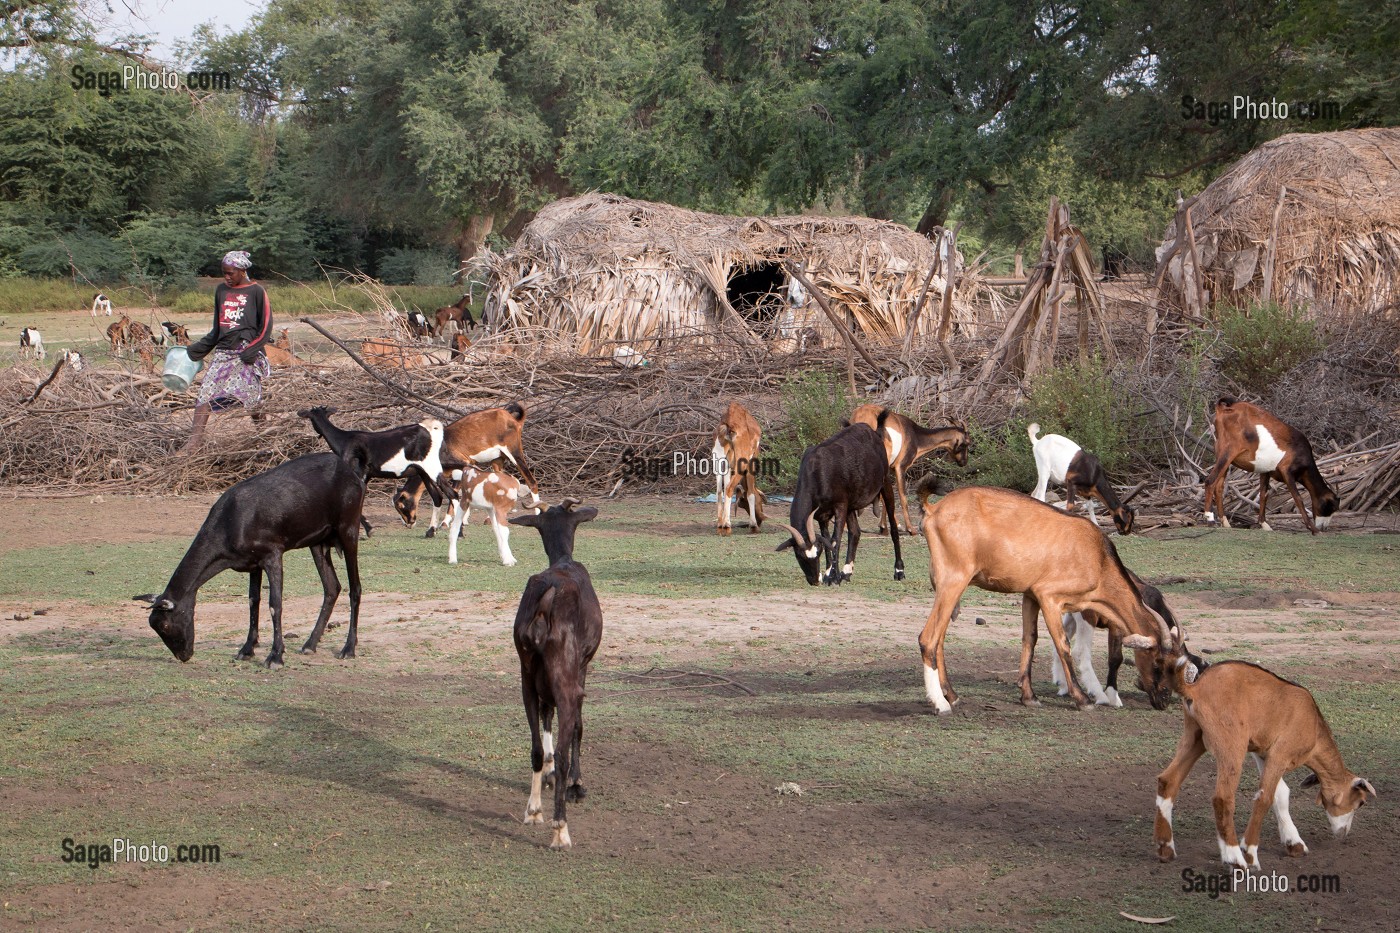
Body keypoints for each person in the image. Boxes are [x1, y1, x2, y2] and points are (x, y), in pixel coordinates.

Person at [181, 250, 272, 452]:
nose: (227, 277)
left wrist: (252, 350)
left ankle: (265, 437)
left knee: (252, 397)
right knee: (205, 392)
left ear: (242, 270)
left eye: (231, 273)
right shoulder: (221, 291)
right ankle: (194, 442)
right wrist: (196, 350)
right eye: (224, 273)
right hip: (224, 351)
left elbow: (266, 326)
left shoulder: (257, 291)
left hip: (246, 350)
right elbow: (217, 328)